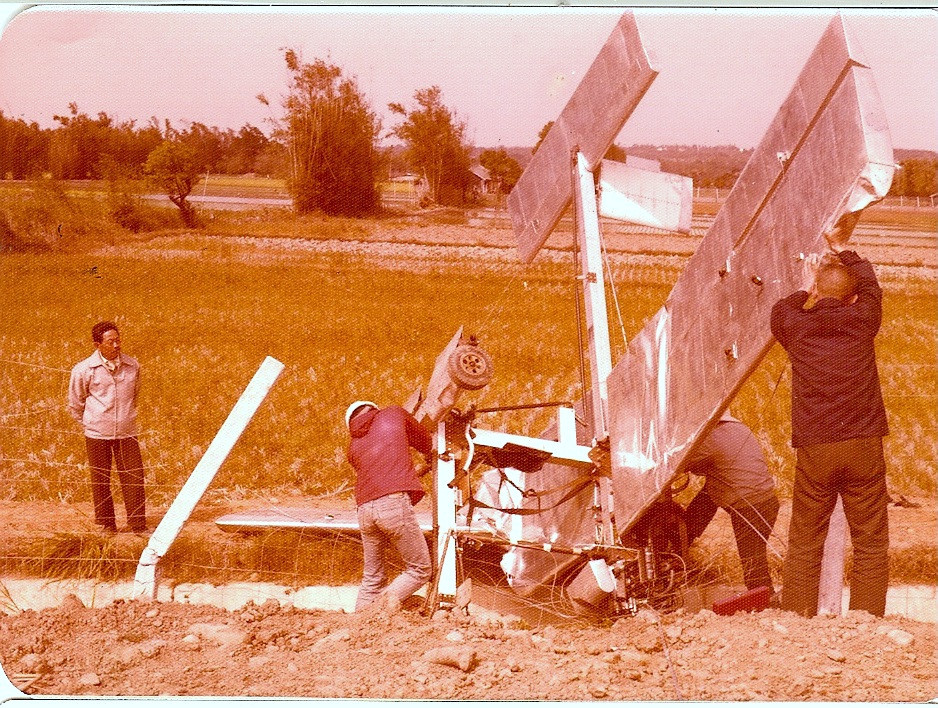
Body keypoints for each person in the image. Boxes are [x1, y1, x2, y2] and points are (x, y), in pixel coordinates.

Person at [770, 224, 890, 617]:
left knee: (805, 539)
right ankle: (866, 621)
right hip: (863, 445)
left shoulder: (797, 327)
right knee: (871, 541)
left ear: (820, 294)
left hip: (816, 448)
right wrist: (844, 249)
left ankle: (797, 618)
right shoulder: (863, 321)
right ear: (852, 298)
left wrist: (807, 287)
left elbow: (780, 310)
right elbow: (873, 288)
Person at [345, 400, 434, 613]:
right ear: (372, 409)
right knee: (420, 569)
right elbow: (426, 443)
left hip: (365, 510)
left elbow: (383, 471)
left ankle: (358, 621)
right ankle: (375, 612)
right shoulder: (393, 413)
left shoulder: (353, 447)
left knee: (372, 577)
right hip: (392, 504)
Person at [683, 413, 779, 593]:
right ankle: (684, 539)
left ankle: (765, 605)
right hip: (766, 501)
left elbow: (680, 464)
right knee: (707, 496)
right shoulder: (737, 427)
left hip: (750, 507)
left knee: (752, 562)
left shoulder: (712, 437)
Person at [67, 321, 147, 534]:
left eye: (118, 340)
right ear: (97, 344)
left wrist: (125, 417)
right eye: (110, 342)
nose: (116, 345)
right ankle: (107, 524)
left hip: (127, 431)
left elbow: (135, 396)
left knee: (134, 476)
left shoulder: (132, 366)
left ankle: (138, 524)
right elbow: (76, 402)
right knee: (100, 478)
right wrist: (90, 423)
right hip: (97, 432)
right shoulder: (84, 369)